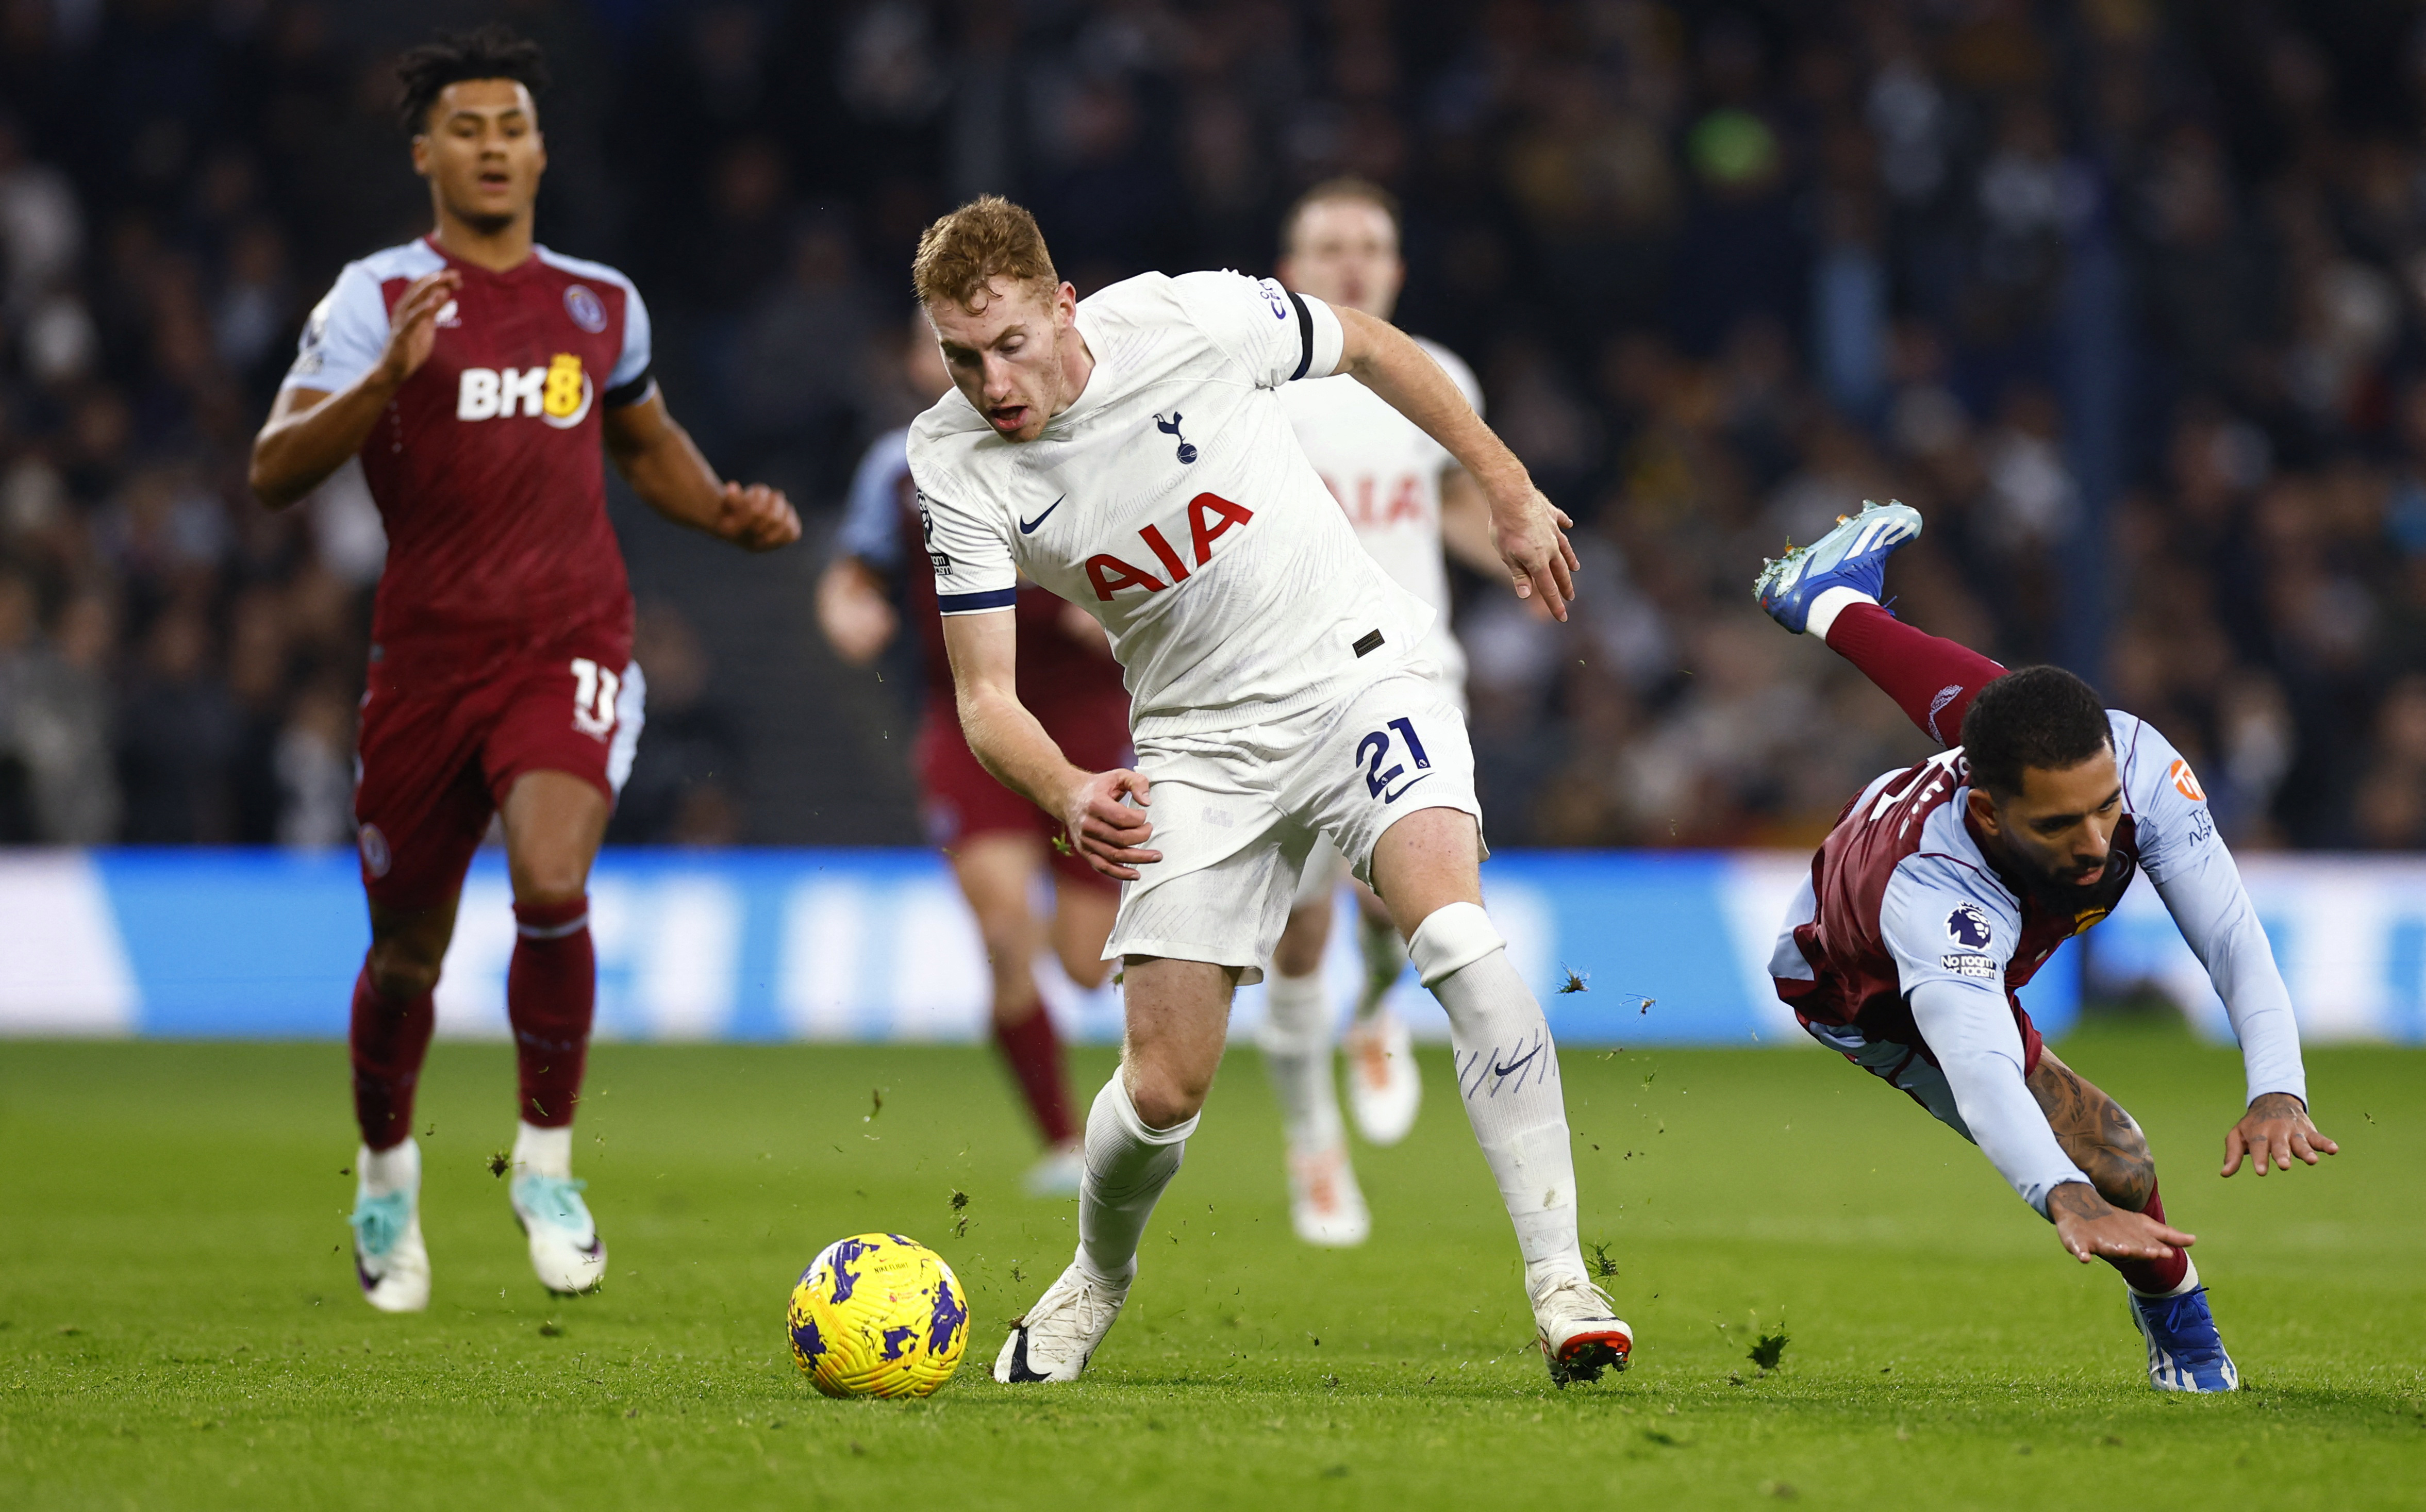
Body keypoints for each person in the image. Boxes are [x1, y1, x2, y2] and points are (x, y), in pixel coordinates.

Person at [906, 195, 1633, 1387]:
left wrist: (1503, 486)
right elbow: (988, 700)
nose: (991, 382)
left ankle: (1562, 1282)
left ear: (1062, 306)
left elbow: (1376, 345)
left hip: (1360, 676)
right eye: (960, 355)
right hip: (1195, 745)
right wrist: (1068, 787)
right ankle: (1096, 1274)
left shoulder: (1189, 317)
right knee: (1161, 1088)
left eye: (1011, 345)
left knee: (1454, 932)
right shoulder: (951, 463)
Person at [246, 26, 799, 1313]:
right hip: (424, 666)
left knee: (552, 882)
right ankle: (387, 1178)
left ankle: (544, 1168)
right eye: (469, 128)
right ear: (426, 152)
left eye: (514, 126)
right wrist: (382, 382)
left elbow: (646, 441)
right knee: (405, 961)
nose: (494, 146)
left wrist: (722, 510)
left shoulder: (599, 303)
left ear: (542, 149)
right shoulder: (375, 298)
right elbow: (274, 472)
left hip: (569, 644)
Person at [1752, 501, 2336, 1391]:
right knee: (2117, 1162)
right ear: (1989, 814)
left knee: (2004, 704)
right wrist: (2063, 1193)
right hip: (1853, 980)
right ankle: (2183, 1332)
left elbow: (2229, 935)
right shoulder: (1933, 895)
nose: (2100, 840)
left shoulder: (2134, 763)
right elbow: (1981, 1062)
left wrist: (2276, 1087)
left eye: (2105, 806)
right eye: (2063, 822)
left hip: (1971, 816)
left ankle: (1828, 601)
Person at [816, 319, 1129, 1198]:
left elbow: (1147, 579)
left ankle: (1134, 1105)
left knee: (1085, 962)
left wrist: (1107, 620)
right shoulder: (898, 465)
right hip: (966, 721)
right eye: (943, 349)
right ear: (922, 363)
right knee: (1001, 937)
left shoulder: (1088, 446)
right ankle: (1066, 1145)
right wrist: (847, 609)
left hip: (1081, 720)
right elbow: (854, 571)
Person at [1260, 177, 1504, 1247]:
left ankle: (1370, 1017)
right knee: (1300, 933)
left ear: (1397, 271)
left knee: (1418, 899)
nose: (1352, 262)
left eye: (1371, 245)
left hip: (1413, 671)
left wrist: (1522, 541)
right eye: (1329, 245)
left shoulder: (1439, 378)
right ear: (1290, 271)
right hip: (1286, 686)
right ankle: (1311, 1147)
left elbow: (1452, 505)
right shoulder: (1255, 389)